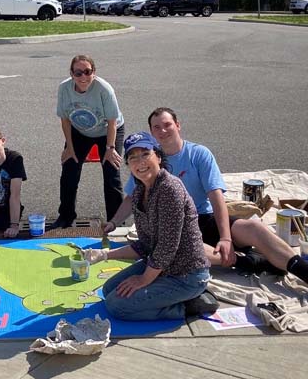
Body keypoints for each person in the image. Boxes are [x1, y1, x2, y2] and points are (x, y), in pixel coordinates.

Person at [107, 107, 308, 284]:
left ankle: (300, 270)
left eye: (167, 125)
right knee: (177, 249)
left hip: (203, 218)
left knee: (254, 227)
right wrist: (114, 222)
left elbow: (216, 196)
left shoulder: (199, 154)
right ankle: (248, 261)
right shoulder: (147, 162)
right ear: (151, 133)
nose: (162, 131)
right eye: (156, 127)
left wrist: (226, 238)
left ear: (178, 125)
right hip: (172, 227)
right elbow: (132, 196)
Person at [82, 132, 217, 321]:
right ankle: (164, 294)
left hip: (186, 275)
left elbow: (167, 247)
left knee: (116, 306)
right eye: (133, 157)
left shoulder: (170, 189)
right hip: (161, 267)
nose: (140, 162)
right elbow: (145, 245)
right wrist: (104, 255)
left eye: (145, 154)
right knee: (108, 290)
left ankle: (189, 306)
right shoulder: (139, 192)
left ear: (159, 157)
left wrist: (144, 279)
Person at [53, 54, 125, 229]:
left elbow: (112, 122)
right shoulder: (65, 88)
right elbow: (64, 119)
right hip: (79, 131)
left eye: (87, 72)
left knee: (111, 174)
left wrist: (110, 148)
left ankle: (116, 222)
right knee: (69, 170)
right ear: (71, 74)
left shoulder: (104, 89)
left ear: (94, 72)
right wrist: (69, 147)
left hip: (108, 131)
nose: (83, 77)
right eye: (78, 73)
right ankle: (66, 216)